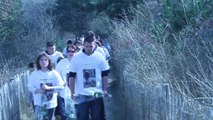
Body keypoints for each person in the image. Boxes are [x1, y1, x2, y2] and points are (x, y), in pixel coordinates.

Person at [69, 33, 110, 120]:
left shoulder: (99, 56)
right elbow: (72, 76)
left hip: (96, 93)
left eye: (91, 46)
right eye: (87, 46)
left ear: (94, 45)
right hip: (82, 94)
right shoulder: (76, 58)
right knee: (83, 117)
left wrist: (105, 89)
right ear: (83, 45)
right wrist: (72, 92)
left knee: (97, 117)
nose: (89, 48)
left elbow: (105, 74)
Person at [28, 52, 64, 120]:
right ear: (38, 62)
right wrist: (37, 90)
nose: (43, 62)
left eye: (45, 59)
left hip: (51, 103)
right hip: (39, 103)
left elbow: (61, 86)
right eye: (41, 60)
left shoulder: (54, 73)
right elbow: (30, 87)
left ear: (48, 61)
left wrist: (50, 88)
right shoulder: (34, 74)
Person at [55, 45, 76, 120]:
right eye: (69, 51)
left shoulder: (78, 62)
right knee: (64, 115)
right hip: (64, 94)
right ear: (66, 53)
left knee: (76, 114)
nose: (70, 53)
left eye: (72, 51)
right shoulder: (61, 63)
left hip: (77, 94)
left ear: (75, 52)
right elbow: (56, 76)